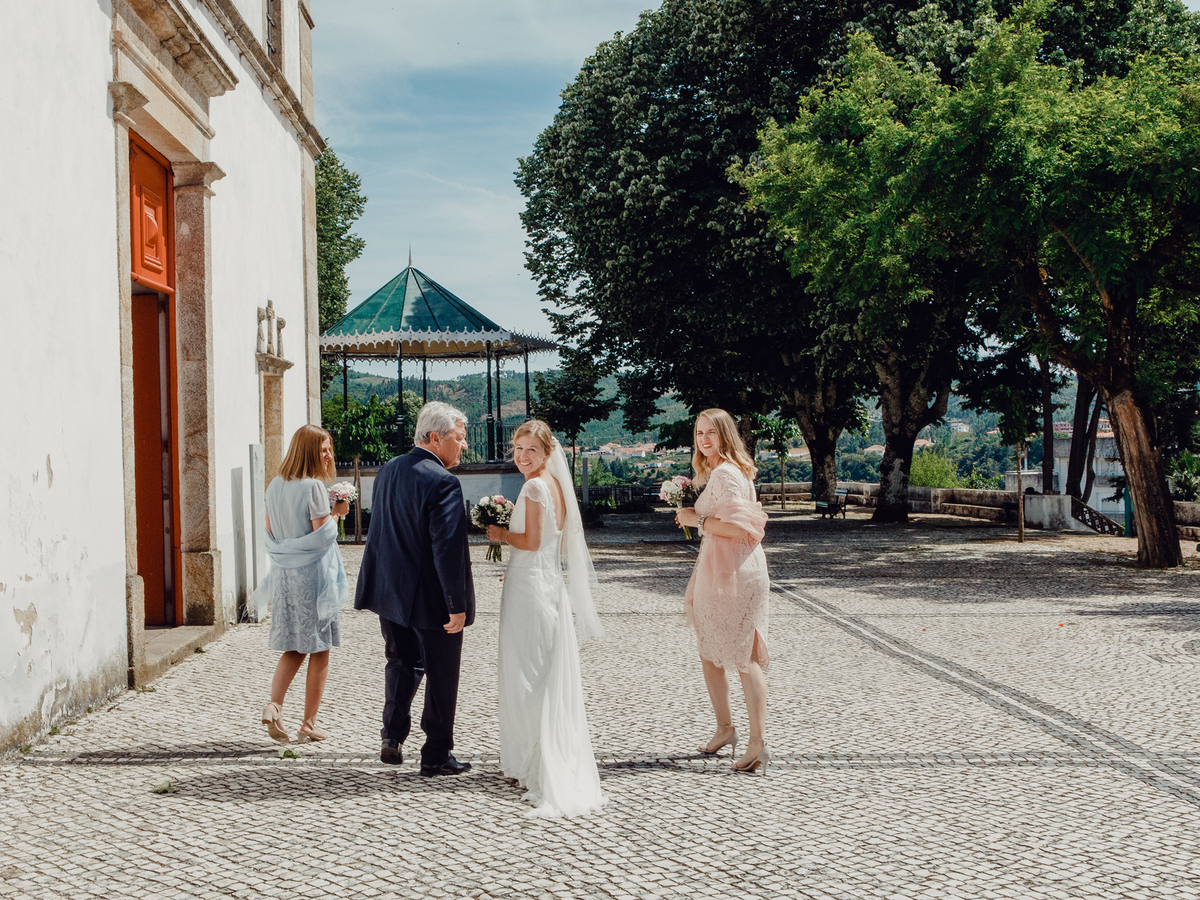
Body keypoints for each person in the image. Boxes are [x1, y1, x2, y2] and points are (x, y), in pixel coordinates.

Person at [487, 419, 605, 817]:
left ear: (546, 453)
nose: (522, 457)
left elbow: (532, 542)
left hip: (530, 588)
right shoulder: (553, 486)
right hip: (543, 582)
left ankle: (530, 760)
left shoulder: (535, 486)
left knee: (526, 673)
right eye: (517, 449)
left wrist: (500, 534)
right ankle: (532, 752)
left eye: (530, 451)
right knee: (539, 669)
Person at [354, 402, 475, 776]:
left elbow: (384, 532)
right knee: (441, 673)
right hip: (430, 597)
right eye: (459, 437)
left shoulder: (389, 469)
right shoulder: (443, 482)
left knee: (401, 661)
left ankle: (391, 736)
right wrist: (456, 604)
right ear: (436, 438)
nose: (464, 445)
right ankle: (437, 753)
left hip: (390, 591)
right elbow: (447, 547)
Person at [674, 409, 771, 774]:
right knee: (710, 650)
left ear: (725, 435)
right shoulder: (724, 471)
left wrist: (694, 519)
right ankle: (725, 728)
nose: (704, 439)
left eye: (712, 433)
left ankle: (757, 743)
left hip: (736, 571)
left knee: (743, 655)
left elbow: (742, 528)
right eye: (699, 433)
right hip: (720, 568)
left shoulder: (728, 472)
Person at [254, 424, 349, 744]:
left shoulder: (274, 486)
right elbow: (323, 537)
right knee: (320, 648)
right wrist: (338, 513)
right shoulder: (313, 488)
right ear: (308, 450)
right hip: (313, 577)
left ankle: (274, 704)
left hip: (283, 576)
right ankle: (309, 722)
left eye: (329, 448)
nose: (329, 455)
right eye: (323, 449)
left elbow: (270, 533)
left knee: (294, 645)